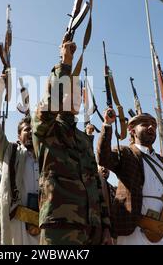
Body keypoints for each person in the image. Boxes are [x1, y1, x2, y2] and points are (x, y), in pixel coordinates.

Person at [32, 41, 111, 245]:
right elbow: (52, 102)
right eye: (71, 91)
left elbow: (95, 183)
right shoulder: (47, 128)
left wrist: (105, 228)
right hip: (59, 226)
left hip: (92, 229)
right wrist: (65, 63)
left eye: (79, 93)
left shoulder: (84, 139)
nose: (77, 97)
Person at [97, 111, 163, 245]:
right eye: (145, 124)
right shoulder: (126, 152)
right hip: (134, 232)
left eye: (153, 125)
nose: (151, 127)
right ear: (132, 130)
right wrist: (107, 125)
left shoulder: (161, 160)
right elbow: (103, 158)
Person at [0, 75, 40, 245]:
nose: (30, 132)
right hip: (15, 220)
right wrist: (0, 90)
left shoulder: (45, 155)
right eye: (26, 130)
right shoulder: (10, 151)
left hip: (42, 221)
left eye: (33, 129)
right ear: (19, 135)